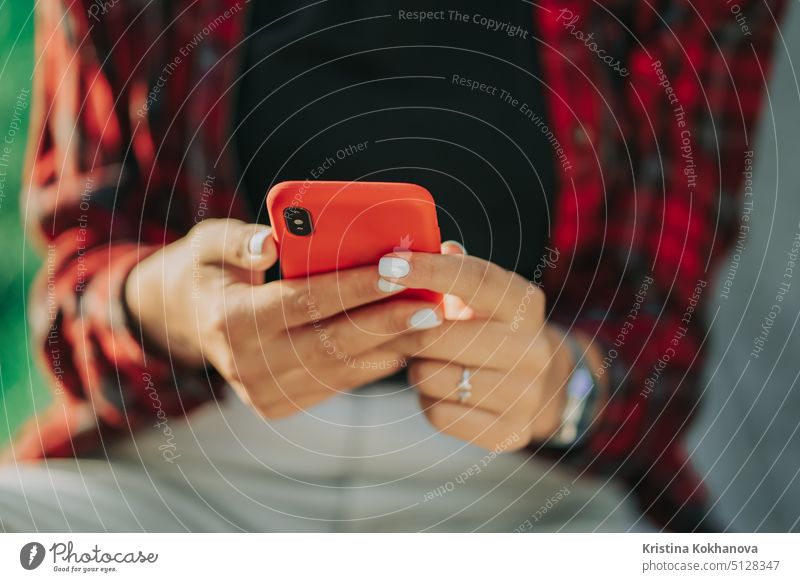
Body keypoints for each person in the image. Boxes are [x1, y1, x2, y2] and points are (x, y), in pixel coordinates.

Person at [0, 0, 785, 532]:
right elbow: (74, 279)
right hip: (172, 479)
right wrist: (171, 307)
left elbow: (665, 335)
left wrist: (561, 386)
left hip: (522, 506)